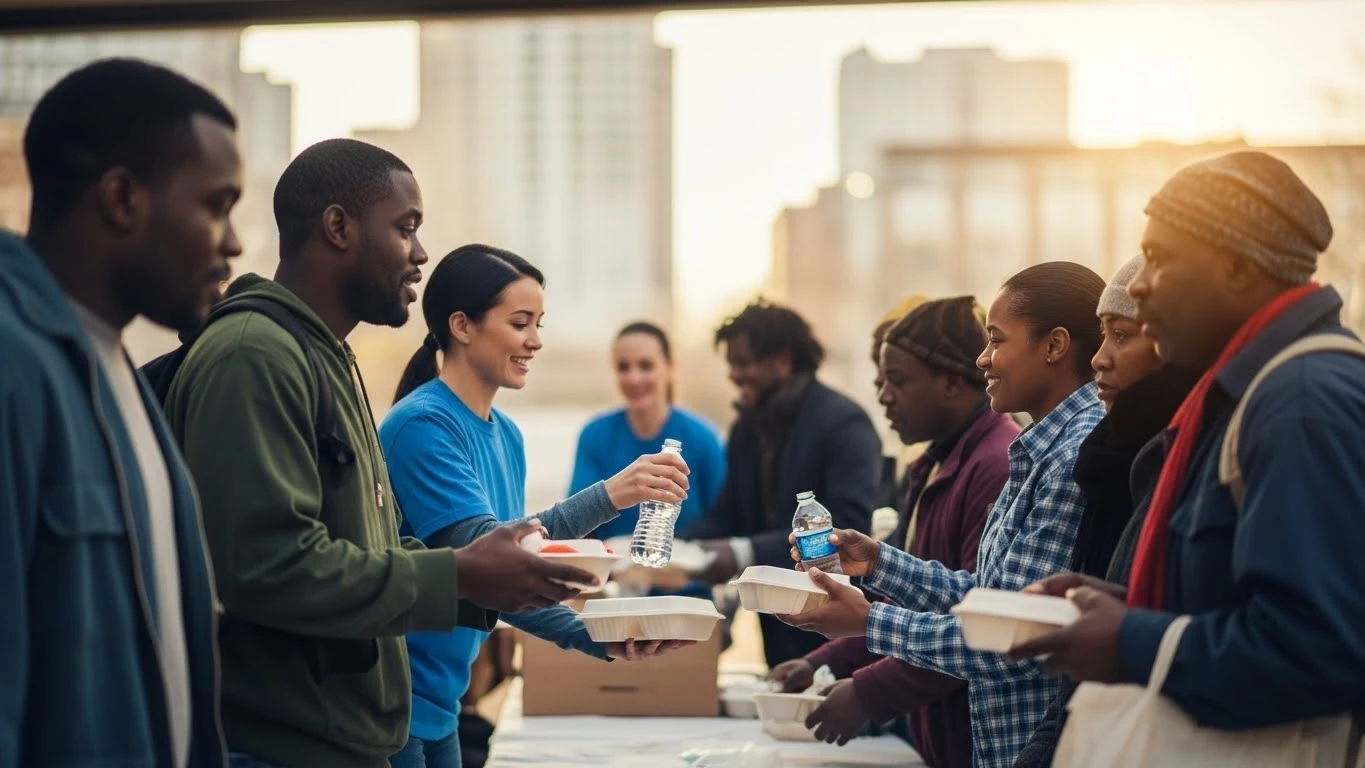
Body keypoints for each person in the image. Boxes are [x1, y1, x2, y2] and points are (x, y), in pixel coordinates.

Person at [163, 139, 598, 768]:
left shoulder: (324, 358)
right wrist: (462, 573)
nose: (421, 254)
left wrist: (487, 588)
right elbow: (266, 568)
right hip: (283, 748)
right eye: (406, 228)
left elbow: (377, 554)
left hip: (353, 739)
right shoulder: (254, 354)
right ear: (338, 227)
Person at [1012, 152, 1365, 741]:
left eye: (1159, 259)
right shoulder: (1243, 394)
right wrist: (1131, 603)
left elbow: (1316, 650)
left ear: (1237, 268)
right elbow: (1238, 604)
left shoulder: (1299, 401)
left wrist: (1129, 639)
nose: (1139, 284)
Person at [0, 57, 241, 768]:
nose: (232, 241)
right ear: (122, 198)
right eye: (215, 205)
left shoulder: (118, 372)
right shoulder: (13, 367)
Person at [776, 262, 1106, 768]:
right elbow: (989, 603)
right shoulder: (1039, 449)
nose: (984, 359)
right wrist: (878, 563)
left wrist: (868, 621)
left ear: (1054, 346)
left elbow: (1013, 638)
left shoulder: (1072, 455)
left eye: (996, 341)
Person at [381, 246, 694, 768]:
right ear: (462, 325)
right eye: (520, 322)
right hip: (395, 710)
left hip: (443, 706)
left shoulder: (507, 436)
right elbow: (491, 553)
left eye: (539, 323)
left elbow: (504, 587)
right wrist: (615, 493)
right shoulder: (422, 427)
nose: (536, 341)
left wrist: (602, 639)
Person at [770, 296, 1018, 768]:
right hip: (938, 735)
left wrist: (868, 692)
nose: (883, 396)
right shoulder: (934, 464)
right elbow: (916, 604)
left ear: (950, 381)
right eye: (880, 380)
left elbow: (973, 628)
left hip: (979, 738)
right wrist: (826, 662)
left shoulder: (994, 465)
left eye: (897, 381)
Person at [1010, 256, 1199, 768]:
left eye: (1123, 334)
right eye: (1101, 335)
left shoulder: (1157, 458)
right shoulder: (1114, 457)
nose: (1100, 358)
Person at [685, 299, 882, 666]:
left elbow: (847, 525)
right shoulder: (747, 429)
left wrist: (742, 552)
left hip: (842, 637)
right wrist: (678, 550)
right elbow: (728, 517)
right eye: (730, 365)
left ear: (783, 359)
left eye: (742, 363)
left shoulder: (844, 424)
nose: (733, 375)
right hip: (777, 630)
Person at [568, 321, 726, 544]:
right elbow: (578, 521)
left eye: (646, 366)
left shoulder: (704, 439)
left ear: (670, 367)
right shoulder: (594, 436)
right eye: (623, 367)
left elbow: (725, 522)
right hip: (613, 574)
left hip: (687, 575)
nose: (634, 378)